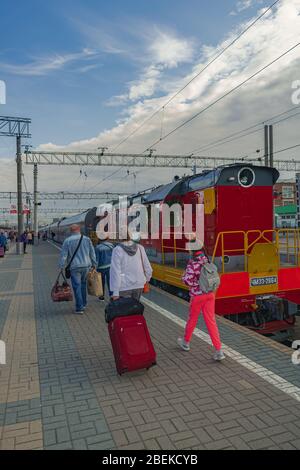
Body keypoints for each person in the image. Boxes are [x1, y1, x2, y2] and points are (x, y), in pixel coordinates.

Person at [177, 239, 225, 362]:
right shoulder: (206, 259)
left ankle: (186, 342)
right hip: (210, 294)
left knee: (192, 319)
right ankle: (219, 351)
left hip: (198, 296)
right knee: (211, 322)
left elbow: (188, 280)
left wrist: (183, 277)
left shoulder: (192, 262)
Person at [59, 224, 97, 315]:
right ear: (79, 229)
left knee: (77, 287)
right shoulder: (87, 239)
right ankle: (83, 304)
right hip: (86, 266)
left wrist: (61, 266)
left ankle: (79, 308)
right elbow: (92, 253)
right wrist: (94, 264)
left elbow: (64, 255)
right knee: (83, 285)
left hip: (74, 267)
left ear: (71, 231)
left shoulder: (67, 241)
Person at [110, 232, 153, 301]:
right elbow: (148, 269)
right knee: (135, 309)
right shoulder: (140, 248)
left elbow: (116, 272)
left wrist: (115, 292)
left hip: (124, 287)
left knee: (124, 310)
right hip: (139, 286)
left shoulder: (117, 250)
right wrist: (145, 280)